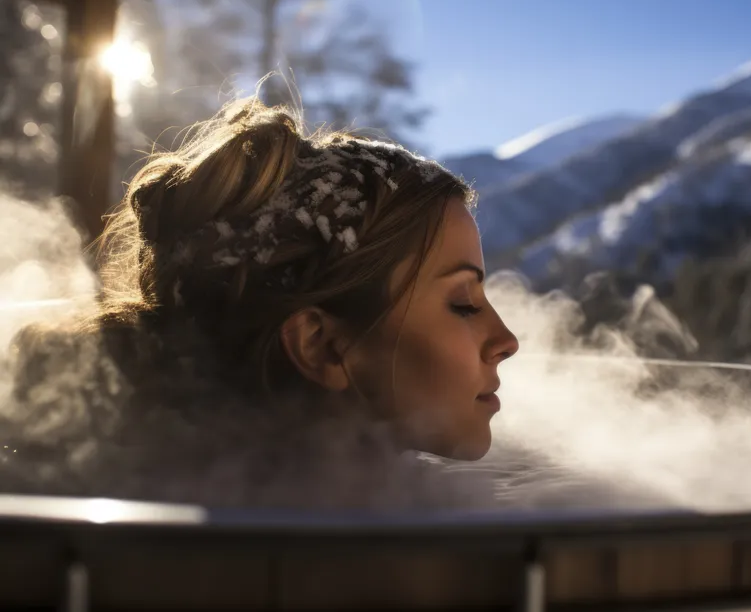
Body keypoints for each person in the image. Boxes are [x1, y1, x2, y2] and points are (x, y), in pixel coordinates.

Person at [0, 97, 521, 510]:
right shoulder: (314, 562)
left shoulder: (163, 499)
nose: (507, 341)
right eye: (465, 304)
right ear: (320, 344)